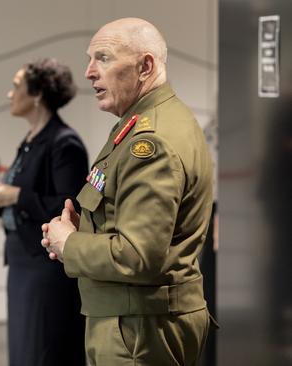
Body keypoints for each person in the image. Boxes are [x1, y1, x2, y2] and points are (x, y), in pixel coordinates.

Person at [41, 18, 215, 365]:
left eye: (103, 58)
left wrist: (69, 244)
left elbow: (137, 256)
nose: (89, 72)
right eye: (89, 59)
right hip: (135, 321)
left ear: (145, 66)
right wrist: (84, 228)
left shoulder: (151, 142)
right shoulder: (145, 121)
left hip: (138, 331)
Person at [0, 58, 88, 366]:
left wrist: (15, 195)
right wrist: (0, 198)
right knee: (24, 350)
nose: (9, 94)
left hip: (45, 266)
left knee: (45, 350)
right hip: (22, 259)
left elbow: (67, 207)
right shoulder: (30, 141)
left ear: (37, 94)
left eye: (16, 86)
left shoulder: (64, 143)